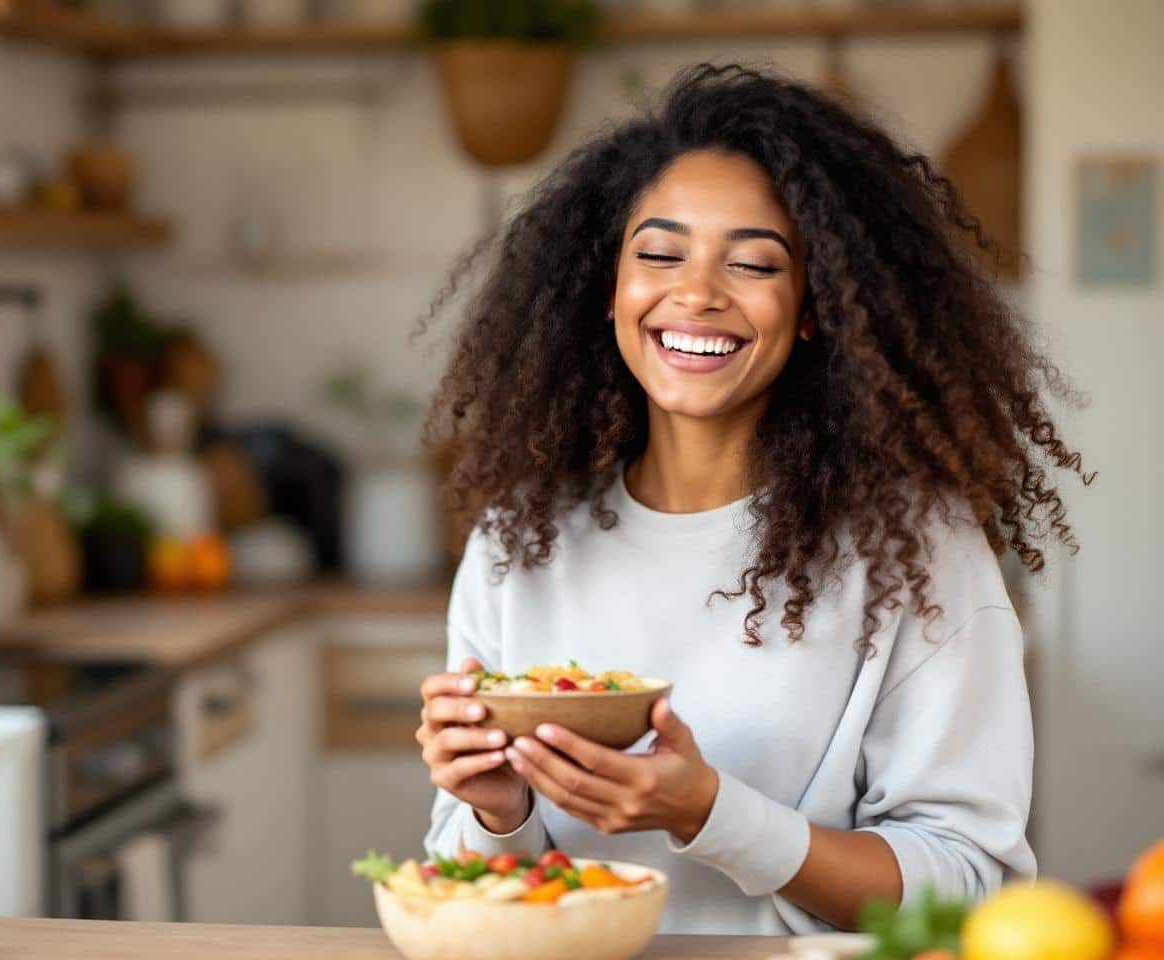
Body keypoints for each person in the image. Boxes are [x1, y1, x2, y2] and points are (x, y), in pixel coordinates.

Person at [415, 63, 1090, 936]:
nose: (696, 293)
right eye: (658, 254)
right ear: (609, 289)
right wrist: (497, 810)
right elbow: (471, 893)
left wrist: (712, 816)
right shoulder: (519, 543)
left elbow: (967, 887)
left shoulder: (916, 552)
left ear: (813, 308)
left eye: (752, 263)